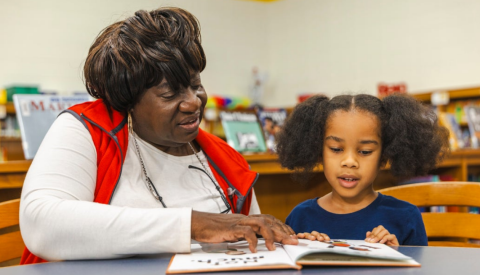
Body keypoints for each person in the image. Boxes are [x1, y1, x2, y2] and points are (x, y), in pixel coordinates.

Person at [19, 7, 297, 264]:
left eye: (195, 85)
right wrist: (193, 224)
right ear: (126, 100)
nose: (193, 102)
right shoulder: (88, 131)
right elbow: (41, 225)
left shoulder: (225, 160)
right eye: (170, 93)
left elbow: (252, 246)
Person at [276, 94, 450, 246]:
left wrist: (397, 256)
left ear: (384, 156)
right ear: (319, 151)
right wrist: (306, 253)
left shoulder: (406, 217)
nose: (350, 162)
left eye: (365, 152)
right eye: (336, 149)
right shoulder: (300, 217)